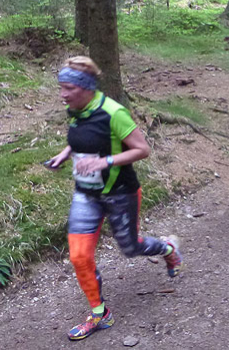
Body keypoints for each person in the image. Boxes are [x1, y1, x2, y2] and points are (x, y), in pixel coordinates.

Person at [45, 56, 183, 341]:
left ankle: (168, 249)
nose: (63, 94)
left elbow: (142, 149)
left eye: (69, 88)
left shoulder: (113, 112)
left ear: (86, 87)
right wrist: (66, 153)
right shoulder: (77, 109)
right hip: (86, 194)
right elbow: (83, 138)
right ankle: (100, 314)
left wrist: (104, 162)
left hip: (120, 193)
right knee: (79, 256)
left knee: (131, 247)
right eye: (61, 87)